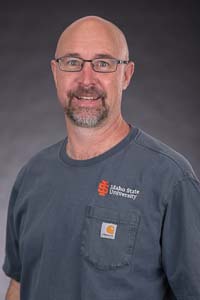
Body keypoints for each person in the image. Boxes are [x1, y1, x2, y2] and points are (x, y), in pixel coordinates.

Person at [3, 15, 200, 300]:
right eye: (72, 62)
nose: (86, 79)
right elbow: (19, 287)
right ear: (55, 72)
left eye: (103, 64)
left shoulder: (170, 180)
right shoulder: (31, 176)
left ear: (126, 75)